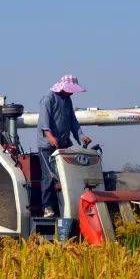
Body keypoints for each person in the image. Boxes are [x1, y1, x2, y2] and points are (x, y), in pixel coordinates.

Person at [37, 74, 92, 217]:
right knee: (50, 176)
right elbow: (44, 123)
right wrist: (50, 137)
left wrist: (81, 137)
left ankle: (68, 206)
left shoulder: (68, 101)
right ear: (62, 87)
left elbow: (73, 122)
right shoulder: (48, 99)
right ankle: (48, 207)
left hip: (63, 145)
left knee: (67, 176)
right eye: (71, 90)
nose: (72, 92)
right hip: (47, 147)